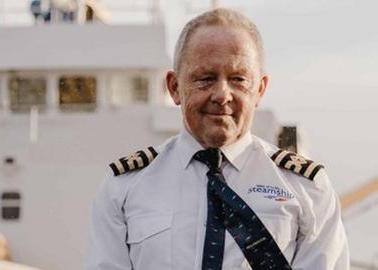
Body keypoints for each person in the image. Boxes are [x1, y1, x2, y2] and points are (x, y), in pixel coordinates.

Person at [85, 8, 349, 270]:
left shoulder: (308, 190)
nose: (222, 94)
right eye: (206, 78)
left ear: (259, 90)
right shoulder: (123, 189)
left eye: (238, 79)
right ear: (175, 87)